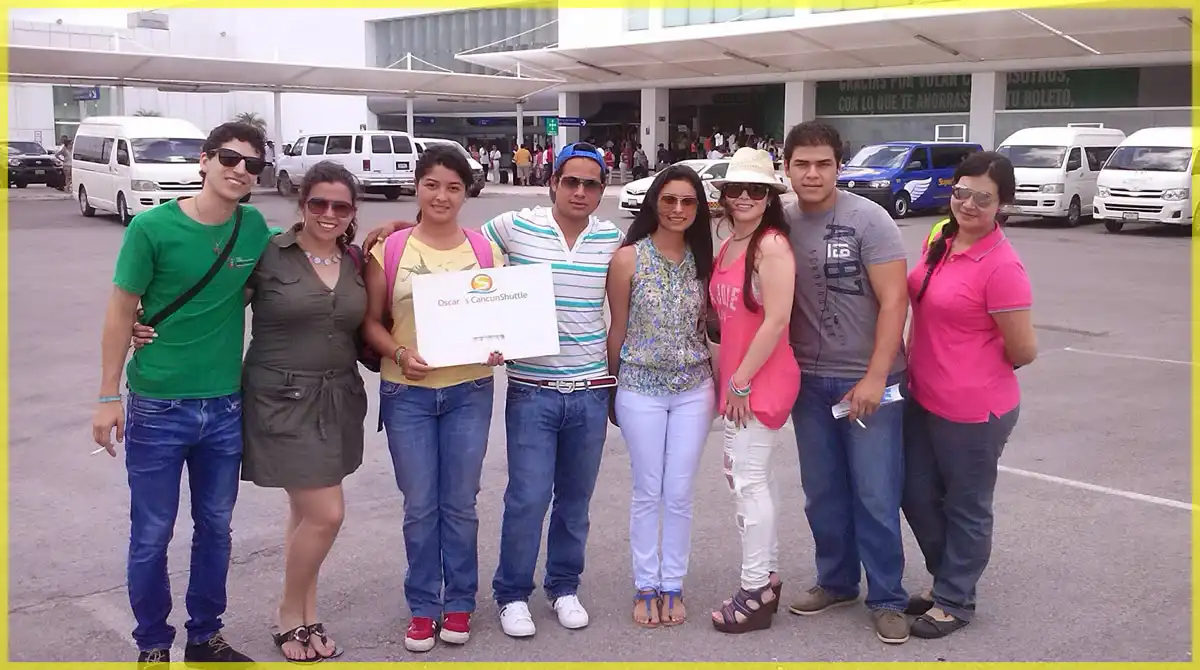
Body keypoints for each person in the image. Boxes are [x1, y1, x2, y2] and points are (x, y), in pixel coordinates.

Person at [90, 121, 272, 667]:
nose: (240, 170)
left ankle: (204, 637)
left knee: (216, 528)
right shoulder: (152, 227)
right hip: (157, 404)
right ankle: (152, 645)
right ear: (204, 160)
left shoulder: (253, 227)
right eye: (229, 158)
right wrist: (105, 396)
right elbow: (122, 309)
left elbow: (295, 261)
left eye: (252, 164)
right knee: (152, 532)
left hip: (224, 406)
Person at [362, 144, 506, 653]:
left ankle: (461, 600)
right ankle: (424, 605)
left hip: (469, 390)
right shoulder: (392, 250)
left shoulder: (485, 251)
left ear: (466, 192)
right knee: (420, 506)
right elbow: (371, 322)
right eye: (432, 184)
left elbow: (502, 318)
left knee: (461, 504)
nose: (442, 196)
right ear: (417, 186)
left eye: (453, 186)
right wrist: (398, 353)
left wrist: (499, 345)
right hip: (407, 394)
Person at [781, 121, 912, 645]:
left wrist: (876, 377)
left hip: (868, 380)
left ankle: (887, 597)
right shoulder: (783, 221)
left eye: (823, 164)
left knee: (876, 493)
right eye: (801, 164)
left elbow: (894, 301)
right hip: (807, 382)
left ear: (839, 166)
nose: (812, 174)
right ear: (786, 167)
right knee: (822, 492)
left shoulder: (870, 219)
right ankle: (837, 580)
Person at [485, 143, 623, 638]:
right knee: (527, 497)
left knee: (575, 501)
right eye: (572, 181)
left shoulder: (612, 238)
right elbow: (453, 243)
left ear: (602, 190)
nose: (580, 191)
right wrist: (395, 228)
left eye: (591, 184)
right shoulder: (515, 227)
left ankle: (564, 586)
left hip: (588, 389)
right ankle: (512, 594)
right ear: (553, 183)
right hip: (531, 389)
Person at [901, 152, 1036, 639]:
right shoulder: (940, 236)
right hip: (922, 393)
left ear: (1003, 204)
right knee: (913, 491)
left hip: (975, 410)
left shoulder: (1002, 267)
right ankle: (948, 579)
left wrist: (970, 366)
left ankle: (955, 597)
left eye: (984, 197)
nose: (969, 204)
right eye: (962, 192)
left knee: (966, 504)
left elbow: (1023, 348)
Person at [240, 161, 367, 662]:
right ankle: (290, 614)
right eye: (319, 203)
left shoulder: (355, 259)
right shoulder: (268, 255)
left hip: (338, 399)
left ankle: (309, 611)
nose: (329, 213)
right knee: (326, 514)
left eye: (340, 205)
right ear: (302, 204)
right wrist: (149, 323)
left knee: (304, 513)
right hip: (281, 400)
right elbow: (216, 303)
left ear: (352, 211)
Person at [605, 164, 715, 628]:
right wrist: (613, 388)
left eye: (688, 201)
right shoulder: (629, 258)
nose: (677, 209)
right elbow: (618, 329)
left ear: (698, 208)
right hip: (639, 388)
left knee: (679, 491)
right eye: (668, 199)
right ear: (654, 202)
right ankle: (645, 583)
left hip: (694, 388)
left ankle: (673, 582)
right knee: (649, 489)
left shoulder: (706, 258)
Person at [705, 147, 799, 634]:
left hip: (761, 381)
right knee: (752, 478)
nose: (743, 196)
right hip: (738, 382)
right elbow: (726, 323)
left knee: (747, 481)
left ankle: (755, 589)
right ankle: (767, 576)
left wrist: (740, 381)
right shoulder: (730, 245)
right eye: (734, 189)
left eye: (755, 190)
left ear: (769, 197)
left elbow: (777, 319)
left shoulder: (771, 245)